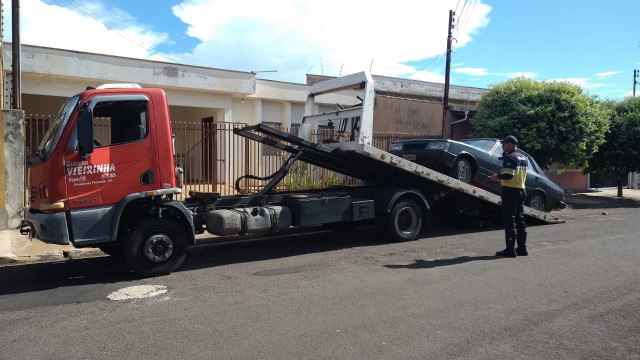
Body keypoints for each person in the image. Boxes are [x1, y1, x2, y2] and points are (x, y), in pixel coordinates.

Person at [489, 135, 528, 257]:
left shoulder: (510, 157)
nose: (502, 146)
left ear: (511, 143)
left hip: (511, 191)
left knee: (509, 220)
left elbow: (508, 175)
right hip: (521, 190)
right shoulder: (523, 157)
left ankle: (510, 250)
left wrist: (497, 177)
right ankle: (522, 248)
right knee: (520, 220)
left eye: (504, 144)